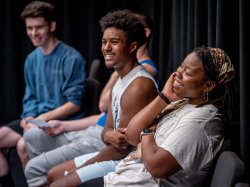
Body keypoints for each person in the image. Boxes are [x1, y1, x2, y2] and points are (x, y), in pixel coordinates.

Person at [21, 11, 159, 187]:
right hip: (115, 153)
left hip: (129, 163)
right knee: (53, 174)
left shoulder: (138, 85)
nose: (106, 48)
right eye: (104, 42)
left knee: (57, 182)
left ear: (132, 47)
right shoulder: (121, 79)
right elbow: (106, 131)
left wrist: (83, 166)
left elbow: (121, 149)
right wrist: (107, 135)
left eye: (114, 42)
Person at [100, 46, 237, 186]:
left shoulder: (202, 121)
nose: (178, 73)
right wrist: (164, 97)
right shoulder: (182, 103)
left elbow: (156, 167)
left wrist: (147, 132)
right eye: (181, 66)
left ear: (208, 86)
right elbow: (131, 135)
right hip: (123, 178)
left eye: (188, 73)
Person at [0, 0, 86, 182]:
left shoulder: (71, 58)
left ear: (52, 26)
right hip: (36, 120)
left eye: (38, 27)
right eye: (29, 28)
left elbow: (74, 104)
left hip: (60, 121)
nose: (33, 33)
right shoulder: (31, 59)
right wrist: (27, 119)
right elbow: (30, 97)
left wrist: (41, 120)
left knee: (23, 145)